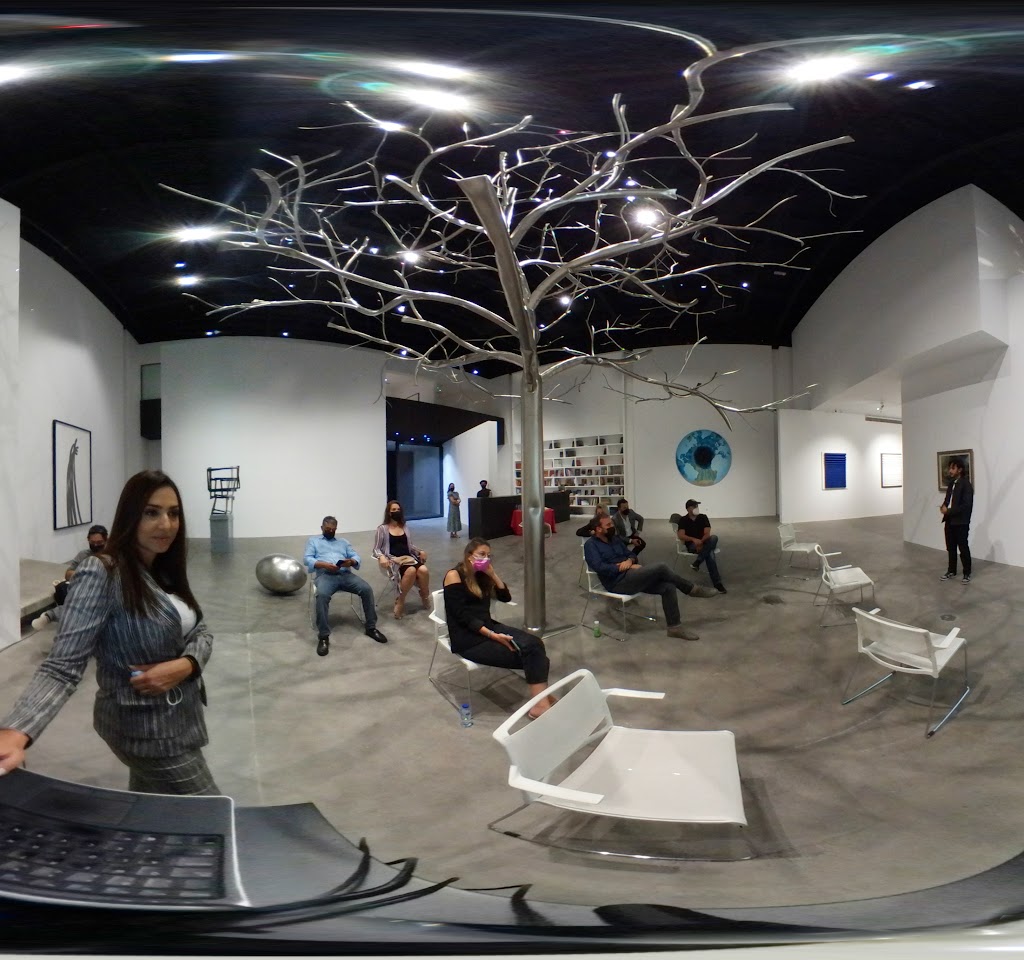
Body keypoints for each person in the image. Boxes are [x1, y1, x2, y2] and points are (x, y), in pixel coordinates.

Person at [0, 470, 219, 795]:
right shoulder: (102, 572)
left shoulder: (162, 568)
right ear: (130, 517)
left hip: (180, 722)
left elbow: (200, 630)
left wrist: (187, 665)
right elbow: (62, 666)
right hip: (145, 730)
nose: (166, 524)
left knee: (151, 812)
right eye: (151, 512)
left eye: (173, 513)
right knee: (206, 815)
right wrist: (17, 731)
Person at [443, 538, 553, 717]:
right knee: (535, 656)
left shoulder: (482, 575)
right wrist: (492, 635)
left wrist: (493, 574)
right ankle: (541, 701)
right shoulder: (454, 575)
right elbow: (462, 616)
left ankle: (541, 699)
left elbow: (505, 597)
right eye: (481, 554)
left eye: (488, 555)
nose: (486, 558)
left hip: (488, 627)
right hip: (468, 638)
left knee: (536, 644)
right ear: (469, 556)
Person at [584, 513, 718, 641]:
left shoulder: (615, 539)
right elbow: (599, 567)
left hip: (632, 576)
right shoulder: (591, 545)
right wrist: (620, 567)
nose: (612, 526)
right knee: (661, 567)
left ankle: (674, 628)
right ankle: (691, 589)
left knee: (668, 587)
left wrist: (630, 561)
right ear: (598, 529)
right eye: (608, 525)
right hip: (617, 583)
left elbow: (631, 555)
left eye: (612, 524)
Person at [305, 516, 389, 657]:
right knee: (322, 595)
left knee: (366, 589)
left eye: (333, 529)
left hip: (345, 574)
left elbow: (356, 556)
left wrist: (351, 562)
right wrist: (324, 564)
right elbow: (307, 559)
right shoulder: (313, 541)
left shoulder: (343, 542)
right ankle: (323, 636)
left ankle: (371, 628)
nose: (330, 531)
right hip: (325, 575)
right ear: (322, 528)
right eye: (327, 529)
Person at [31, 524, 108, 630]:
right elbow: (68, 574)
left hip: (102, 589)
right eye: (92, 542)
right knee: (62, 588)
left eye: (99, 543)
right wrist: (82, 574)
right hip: (82, 586)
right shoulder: (83, 555)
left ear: (106, 540)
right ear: (88, 540)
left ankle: (51, 615)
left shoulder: (110, 555)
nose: (95, 545)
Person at [372, 500, 431, 619]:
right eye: (394, 510)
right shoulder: (382, 529)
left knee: (423, 570)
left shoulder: (404, 527)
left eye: (398, 510)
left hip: (409, 558)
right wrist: (381, 557)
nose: (396, 512)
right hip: (394, 560)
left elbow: (410, 546)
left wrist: (420, 551)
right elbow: (376, 549)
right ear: (389, 513)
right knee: (411, 571)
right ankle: (400, 600)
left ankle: (424, 595)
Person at [674, 499, 727, 594]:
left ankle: (698, 562)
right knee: (710, 553)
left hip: (704, 542)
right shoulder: (683, 520)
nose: (696, 508)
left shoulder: (703, 517)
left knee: (714, 537)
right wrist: (694, 540)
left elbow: (707, 533)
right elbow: (681, 535)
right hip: (692, 545)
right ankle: (717, 583)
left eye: (697, 506)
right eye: (694, 506)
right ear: (688, 509)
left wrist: (701, 542)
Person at [939, 457, 974, 583]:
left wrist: (948, 511)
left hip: (961, 522)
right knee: (951, 547)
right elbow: (948, 499)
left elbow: (966, 506)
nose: (950, 470)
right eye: (950, 468)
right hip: (949, 521)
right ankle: (951, 570)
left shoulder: (966, 485)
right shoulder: (951, 483)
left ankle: (967, 573)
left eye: (953, 468)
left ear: (960, 469)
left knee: (963, 547)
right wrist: (943, 506)